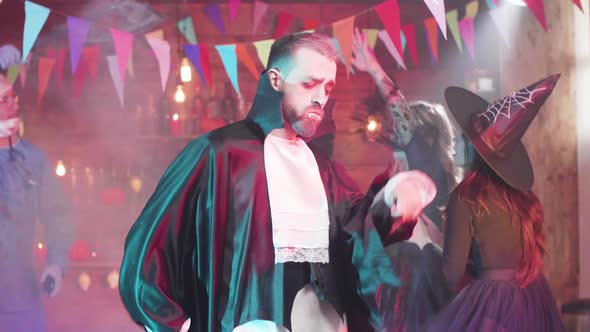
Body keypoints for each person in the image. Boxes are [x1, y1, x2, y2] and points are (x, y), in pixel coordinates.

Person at [119, 32, 433, 332]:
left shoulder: (320, 167)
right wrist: (175, 323)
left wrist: (393, 201)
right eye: (310, 84)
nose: (321, 98)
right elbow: (150, 243)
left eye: (328, 87)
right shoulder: (217, 154)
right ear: (275, 80)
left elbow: (357, 228)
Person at [426, 74, 565, 331]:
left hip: (493, 307)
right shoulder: (522, 197)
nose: (454, 142)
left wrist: (428, 246)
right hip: (533, 299)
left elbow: (451, 274)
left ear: (474, 149)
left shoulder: (465, 197)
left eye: (461, 137)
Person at [352, 29, 457, 331]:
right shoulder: (423, 169)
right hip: (418, 273)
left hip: (418, 280)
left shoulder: (426, 162)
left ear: (425, 136)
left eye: (406, 131)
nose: (398, 132)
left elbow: (401, 114)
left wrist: (373, 68)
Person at [0, 44, 74, 331]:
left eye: (13, 97)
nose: (14, 104)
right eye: (4, 100)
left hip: (21, 296)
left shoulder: (33, 159)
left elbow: (58, 215)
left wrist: (56, 263)